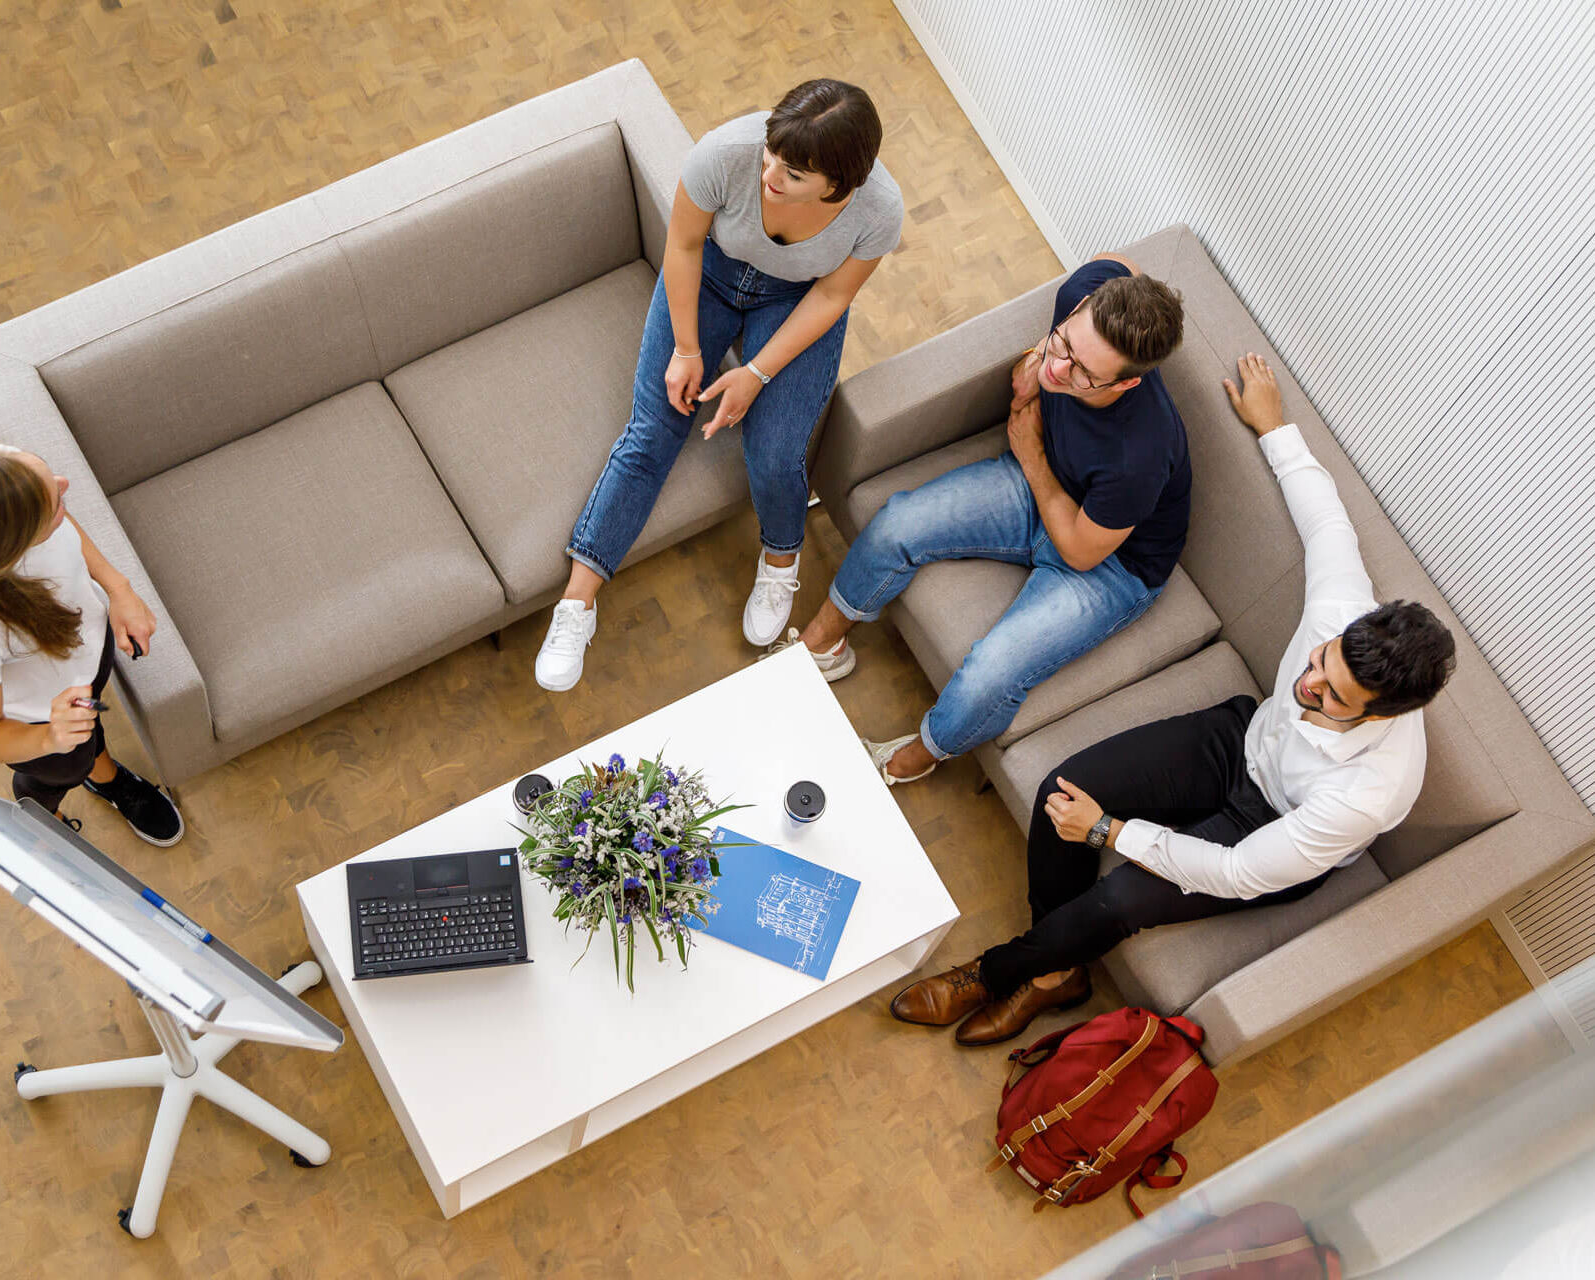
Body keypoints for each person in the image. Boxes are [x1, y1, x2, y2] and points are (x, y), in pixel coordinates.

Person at [888, 355, 1456, 1046]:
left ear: (1384, 714)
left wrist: (1110, 833)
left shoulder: (1368, 792)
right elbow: (1327, 524)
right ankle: (1056, 973)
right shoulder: (1341, 611)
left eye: (1332, 695)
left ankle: (999, 972)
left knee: (1120, 897)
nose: (1308, 684)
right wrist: (1274, 426)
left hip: (1273, 831)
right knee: (1060, 789)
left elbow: (1236, 872)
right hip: (1240, 744)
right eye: (1318, 662)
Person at [535, 78, 904, 692]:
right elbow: (681, 244)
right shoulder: (724, 154)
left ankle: (781, 558)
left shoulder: (878, 210)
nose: (769, 173)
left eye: (791, 172)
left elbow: (835, 294)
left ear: (839, 183)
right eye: (770, 154)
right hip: (709, 274)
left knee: (775, 449)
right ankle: (577, 605)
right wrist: (686, 350)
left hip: (797, 299)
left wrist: (755, 375)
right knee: (653, 430)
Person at [774, 255, 1190, 786]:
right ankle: (820, 647)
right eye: (1064, 344)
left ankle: (912, 759)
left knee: (992, 671)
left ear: (1126, 385)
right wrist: (1040, 355)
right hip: (1045, 485)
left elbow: (1082, 551)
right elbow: (1123, 264)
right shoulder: (1087, 292)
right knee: (899, 523)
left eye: (1083, 374)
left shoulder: (1142, 454)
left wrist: (1031, 451)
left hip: (1108, 564)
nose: (1058, 371)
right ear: (1083, 305)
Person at [0, 445, 185, 845]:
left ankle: (105, 776)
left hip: (87, 658)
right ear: (16, 543)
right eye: (53, 500)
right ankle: (42, 809)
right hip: (36, 723)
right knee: (63, 768)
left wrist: (118, 588)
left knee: (89, 735)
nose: (64, 485)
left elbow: (62, 519)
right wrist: (49, 739)